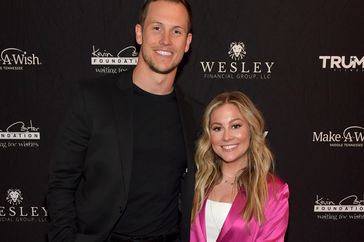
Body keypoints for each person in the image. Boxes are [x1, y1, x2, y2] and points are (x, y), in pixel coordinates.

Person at [47, 0, 196, 242]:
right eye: (156, 28)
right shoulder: (93, 98)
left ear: (187, 42)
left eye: (176, 31)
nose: (166, 40)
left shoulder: (194, 114)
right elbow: (61, 183)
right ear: (139, 33)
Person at [190, 91, 289, 242]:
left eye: (235, 126)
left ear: (251, 129)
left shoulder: (273, 191)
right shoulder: (196, 183)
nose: (227, 137)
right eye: (217, 128)